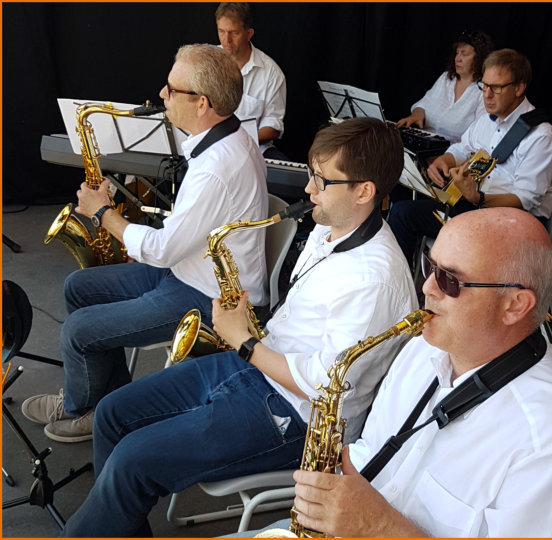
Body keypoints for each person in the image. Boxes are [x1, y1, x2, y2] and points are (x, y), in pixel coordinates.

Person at [59, 117, 418, 537]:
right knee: (111, 413)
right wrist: (247, 332)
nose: (308, 189)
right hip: (260, 368)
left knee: (131, 462)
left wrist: (244, 342)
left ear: (364, 191)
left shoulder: (374, 278)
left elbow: (326, 387)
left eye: (321, 181)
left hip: (296, 416)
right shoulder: (332, 229)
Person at [284, 207, 552, 537]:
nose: (427, 287)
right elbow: (371, 451)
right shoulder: (423, 348)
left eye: (450, 280)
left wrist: (379, 527)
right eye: (429, 266)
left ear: (515, 305)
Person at [21, 44, 269, 443]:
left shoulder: (217, 166)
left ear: (202, 103)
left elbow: (163, 249)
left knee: (79, 330)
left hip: (207, 295)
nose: (162, 94)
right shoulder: (225, 139)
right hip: (186, 271)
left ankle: (82, 409)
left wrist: (103, 213)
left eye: (172, 88)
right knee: (78, 287)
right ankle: (105, 402)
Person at [389, 48, 552, 265]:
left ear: (519, 88)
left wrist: (477, 198)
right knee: (402, 208)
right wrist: (445, 160)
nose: (487, 95)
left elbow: (526, 199)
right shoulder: (487, 120)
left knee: (407, 216)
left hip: (511, 223)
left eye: (496, 87)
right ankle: (401, 282)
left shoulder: (541, 137)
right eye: (484, 85)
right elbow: (463, 148)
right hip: (475, 208)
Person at [216, 2, 286, 158]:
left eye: (234, 33)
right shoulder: (208, 61)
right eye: (221, 31)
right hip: (212, 148)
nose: (226, 40)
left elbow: (273, 126)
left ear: (249, 34)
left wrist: (238, 141)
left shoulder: (272, 73)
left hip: (253, 148)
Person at [396, 30, 492, 143]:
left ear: (479, 58)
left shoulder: (483, 90)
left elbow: (478, 134)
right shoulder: (446, 78)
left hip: (452, 151)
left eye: (464, 54)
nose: (457, 59)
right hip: (425, 143)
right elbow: (423, 104)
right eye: (457, 53)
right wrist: (416, 115)